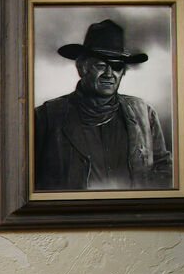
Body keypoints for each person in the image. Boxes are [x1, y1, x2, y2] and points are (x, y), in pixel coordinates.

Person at [33, 18, 172, 191]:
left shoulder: (144, 113)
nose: (109, 74)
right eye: (100, 65)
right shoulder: (46, 117)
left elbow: (164, 170)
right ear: (81, 68)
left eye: (116, 67)